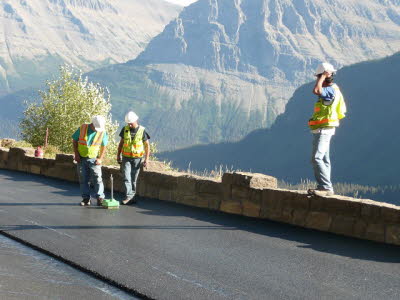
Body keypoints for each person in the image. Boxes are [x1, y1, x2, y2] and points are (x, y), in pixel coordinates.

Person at [307, 63, 346, 196]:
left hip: (324, 129)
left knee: (316, 158)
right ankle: (324, 186)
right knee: (324, 159)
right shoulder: (333, 89)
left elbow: (316, 90)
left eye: (319, 76)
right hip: (324, 128)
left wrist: (322, 76)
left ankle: (325, 187)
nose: (318, 79)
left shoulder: (330, 90)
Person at [72, 115, 108, 206]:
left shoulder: (102, 131)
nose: (97, 130)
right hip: (81, 158)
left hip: (94, 159)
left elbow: (104, 146)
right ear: (92, 124)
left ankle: (100, 198)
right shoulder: (83, 128)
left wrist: (100, 158)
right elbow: (74, 140)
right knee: (83, 179)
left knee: (97, 179)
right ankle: (86, 199)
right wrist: (76, 154)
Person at [117, 111, 150, 205]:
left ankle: (132, 196)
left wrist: (146, 159)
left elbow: (147, 146)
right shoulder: (125, 129)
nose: (129, 125)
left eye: (131, 123)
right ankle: (128, 196)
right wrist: (118, 155)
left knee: (134, 178)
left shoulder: (142, 131)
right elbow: (121, 143)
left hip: (137, 158)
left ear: (136, 120)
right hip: (126, 157)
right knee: (126, 177)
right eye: (128, 123)